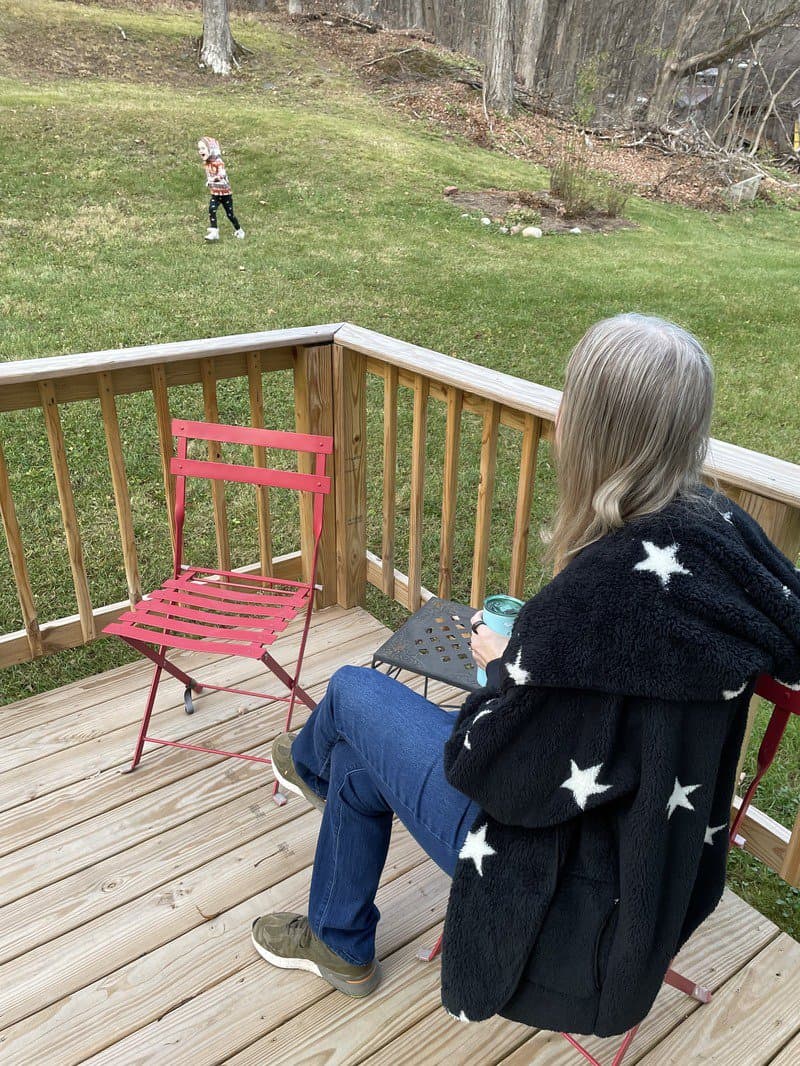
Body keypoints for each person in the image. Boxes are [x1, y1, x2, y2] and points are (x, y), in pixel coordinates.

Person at [250, 314, 800, 1035]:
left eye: (570, 397)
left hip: (559, 868)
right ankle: (336, 933)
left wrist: (504, 669)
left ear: (593, 428)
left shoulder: (596, 600)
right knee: (360, 758)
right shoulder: (724, 536)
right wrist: (532, 665)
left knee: (352, 694)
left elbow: (497, 772)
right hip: (658, 855)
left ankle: (306, 769)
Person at [197, 136, 244, 242]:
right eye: (199, 149)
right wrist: (210, 182)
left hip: (225, 193)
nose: (201, 151)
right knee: (212, 209)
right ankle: (214, 231)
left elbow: (222, 174)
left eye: (203, 148)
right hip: (215, 193)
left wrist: (214, 179)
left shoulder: (218, 162)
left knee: (230, 214)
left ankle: (239, 230)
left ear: (211, 149)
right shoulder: (207, 164)